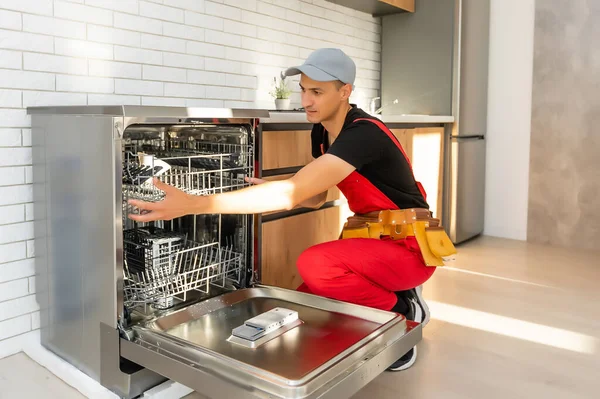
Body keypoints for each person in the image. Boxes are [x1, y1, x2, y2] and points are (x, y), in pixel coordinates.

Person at [129, 48, 454, 371]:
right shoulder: (323, 131)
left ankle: (404, 311)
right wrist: (278, 186)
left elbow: (292, 195)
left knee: (317, 264)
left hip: (410, 247)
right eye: (303, 89)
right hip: (375, 240)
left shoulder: (364, 134)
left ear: (345, 92)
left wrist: (194, 204)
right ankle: (385, 300)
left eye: (317, 91)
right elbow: (313, 195)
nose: (306, 100)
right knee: (307, 301)